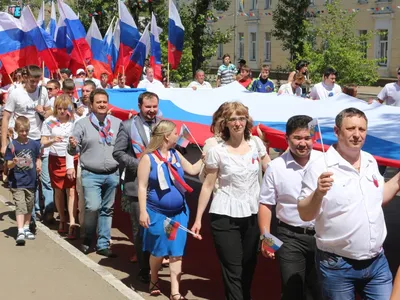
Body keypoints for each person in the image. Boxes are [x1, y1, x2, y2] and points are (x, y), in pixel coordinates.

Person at [298, 107, 400, 299]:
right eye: (351, 128)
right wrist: (318, 193)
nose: (357, 135)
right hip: (337, 266)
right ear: (337, 131)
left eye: (361, 129)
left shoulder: (370, 161)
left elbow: (380, 198)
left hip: (377, 262)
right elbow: (304, 214)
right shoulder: (319, 167)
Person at [191, 102, 270, 300]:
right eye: (233, 119)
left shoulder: (257, 145)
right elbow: (208, 186)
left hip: (252, 213)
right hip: (224, 214)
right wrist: (198, 219)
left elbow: (271, 170)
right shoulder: (217, 151)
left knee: (249, 264)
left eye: (241, 118)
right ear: (225, 123)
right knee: (233, 268)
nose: (237, 123)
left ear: (247, 121)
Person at [137, 120, 203, 299]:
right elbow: (142, 187)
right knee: (158, 250)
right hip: (157, 213)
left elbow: (192, 169)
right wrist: (143, 212)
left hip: (179, 213)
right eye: (175, 133)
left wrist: (205, 158)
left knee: (176, 252)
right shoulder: (148, 158)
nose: (178, 136)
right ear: (167, 136)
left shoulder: (175, 154)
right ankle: (154, 277)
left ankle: (175, 291)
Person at [258, 115, 322, 300]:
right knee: (292, 289)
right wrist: (266, 238)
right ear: (287, 139)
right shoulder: (275, 167)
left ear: (314, 138)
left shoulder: (325, 161)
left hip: (323, 236)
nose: (303, 143)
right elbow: (266, 203)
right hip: (290, 237)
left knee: (317, 291)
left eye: (307, 138)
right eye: (297, 138)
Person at [113, 91, 162, 283]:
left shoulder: (163, 125)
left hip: (160, 186)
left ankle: (155, 264)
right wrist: (138, 163)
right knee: (141, 229)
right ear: (140, 106)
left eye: (154, 107)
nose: (151, 111)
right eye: (147, 107)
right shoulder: (127, 126)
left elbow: (174, 146)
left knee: (158, 227)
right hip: (136, 184)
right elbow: (118, 153)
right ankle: (144, 268)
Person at [68, 89, 122, 257]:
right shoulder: (82, 124)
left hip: (112, 173)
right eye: (98, 102)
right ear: (91, 105)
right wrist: (72, 145)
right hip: (91, 174)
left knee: (107, 209)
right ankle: (88, 237)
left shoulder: (117, 123)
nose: (102, 105)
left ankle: (103, 244)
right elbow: (73, 149)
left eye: (104, 102)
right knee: (93, 206)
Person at [1, 65, 51, 229]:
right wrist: (4, 144)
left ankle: (35, 213)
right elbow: (6, 118)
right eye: (32, 81)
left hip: (37, 139)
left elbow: (51, 111)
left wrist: (44, 110)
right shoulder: (15, 93)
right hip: (20, 142)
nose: (34, 84)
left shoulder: (42, 92)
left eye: (37, 81)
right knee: (27, 179)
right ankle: (31, 218)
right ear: (24, 78)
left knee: (39, 178)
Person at [41, 95, 78, 238]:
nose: (62, 111)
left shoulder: (74, 121)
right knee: (58, 190)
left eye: (65, 108)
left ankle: (72, 222)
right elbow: (43, 141)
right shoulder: (50, 122)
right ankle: (62, 219)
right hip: (55, 159)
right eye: (59, 108)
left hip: (71, 158)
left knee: (72, 191)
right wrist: (52, 140)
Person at [5, 116, 42, 245]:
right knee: (20, 206)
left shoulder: (34, 144)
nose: (24, 133)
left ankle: (26, 227)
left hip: (31, 181)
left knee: (29, 206)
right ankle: (20, 230)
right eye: (21, 131)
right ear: (16, 130)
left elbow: (38, 157)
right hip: (17, 182)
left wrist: (39, 165)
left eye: (26, 130)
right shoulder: (12, 145)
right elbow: (8, 164)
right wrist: (13, 163)